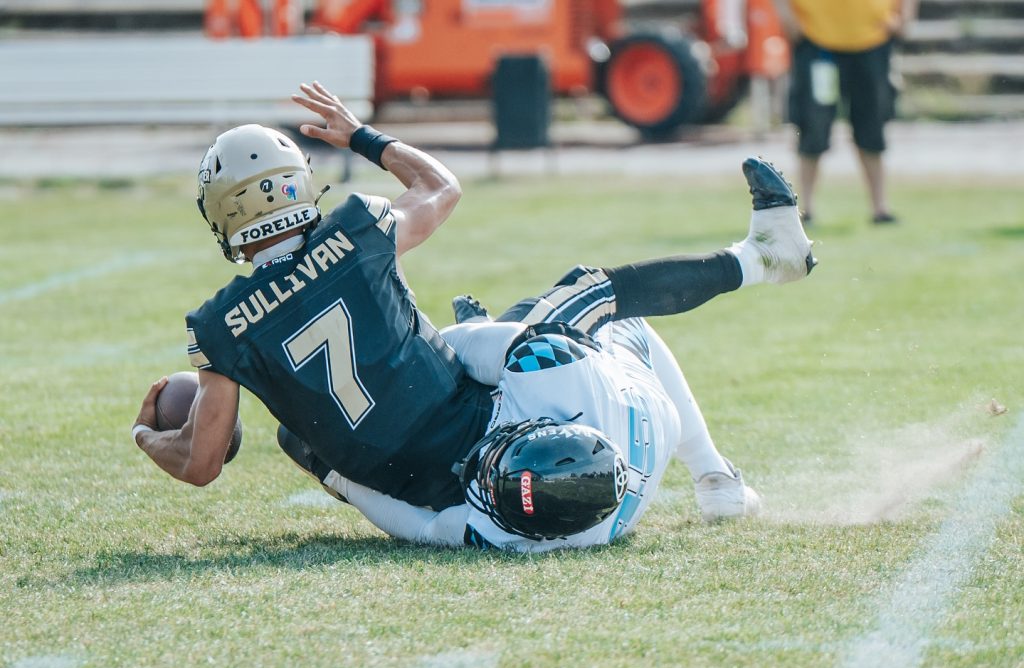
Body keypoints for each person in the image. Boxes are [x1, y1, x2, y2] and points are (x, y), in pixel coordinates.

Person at [132, 81, 815, 521]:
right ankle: (763, 260)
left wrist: (148, 437)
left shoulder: (217, 326)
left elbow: (200, 462)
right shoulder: (357, 229)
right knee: (589, 297)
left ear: (221, 214)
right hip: (493, 434)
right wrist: (362, 136)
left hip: (430, 499)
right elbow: (441, 186)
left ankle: (716, 478)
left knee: (295, 431)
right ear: (298, 183)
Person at [278, 160, 818, 551]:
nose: (476, 473)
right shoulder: (562, 375)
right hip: (624, 393)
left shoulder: (499, 529)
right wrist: (336, 472)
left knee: (555, 313)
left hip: (629, 437)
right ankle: (762, 261)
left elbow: (421, 526)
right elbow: (423, 523)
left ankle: (717, 476)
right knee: (606, 306)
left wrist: (336, 471)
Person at [772, 0, 918, 225]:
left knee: (872, 124)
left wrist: (905, 15)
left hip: (873, 37)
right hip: (816, 39)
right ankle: (805, 209)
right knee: (813, 124)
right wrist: (787, 16)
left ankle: (880, 208)